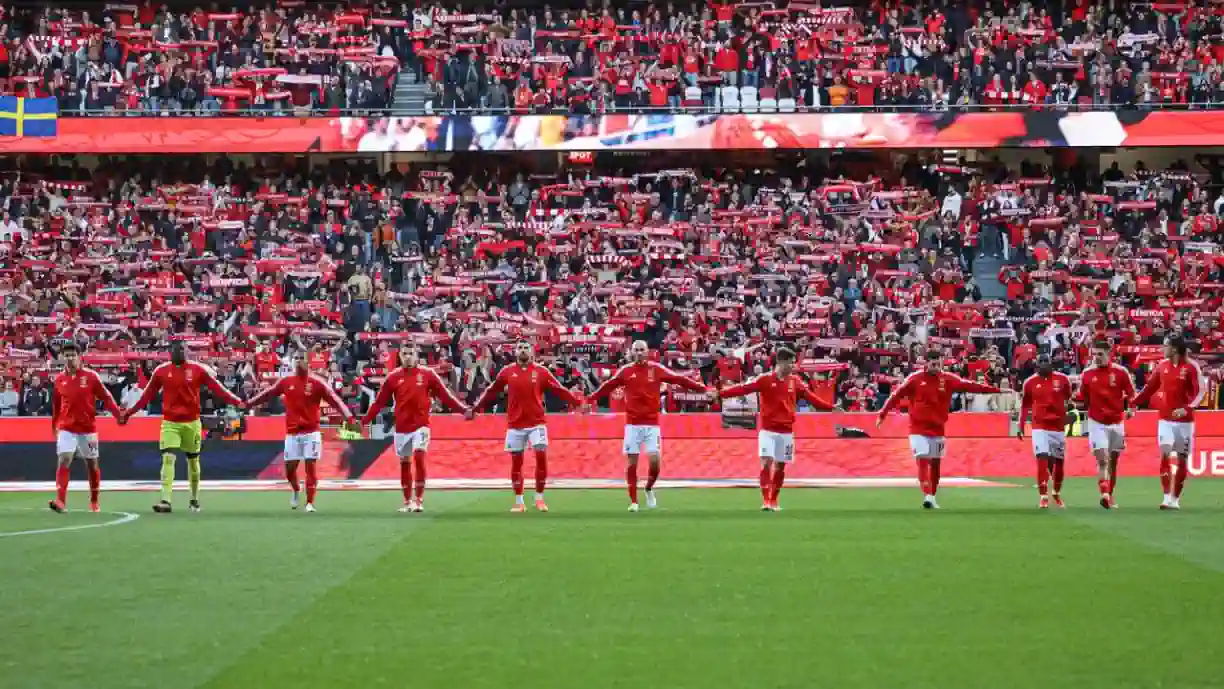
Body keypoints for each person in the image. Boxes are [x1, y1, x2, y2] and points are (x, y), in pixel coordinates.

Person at [122, 341, 245, 514]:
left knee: (193, 462)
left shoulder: (197, 370)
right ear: (169, 352)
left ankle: (194, 499)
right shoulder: (161, 371)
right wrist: (129, 413)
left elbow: (218, 389)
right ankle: (166, 500)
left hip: (192, 423)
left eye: (182, 349)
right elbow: (146, 396)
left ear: (186, 351)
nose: (179, 352)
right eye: (175, 349)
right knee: (168, 458)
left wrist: (237, 401)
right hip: (170, 423)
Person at [587, 339, 709, 511]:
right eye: (635, 350)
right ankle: (634, 501)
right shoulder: (626, 371)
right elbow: (608, 386)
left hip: (652, 424)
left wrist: (701, 388)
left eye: (641, 349)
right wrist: (590, 399)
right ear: (631, 352)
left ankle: (649, 488)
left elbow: (678, 379)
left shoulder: (656, 369)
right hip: (632, 424)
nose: (638, 353)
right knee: (632, 463)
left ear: (647, 351)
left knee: (655, 463)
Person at [468, 341, 585, 513]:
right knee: (516, 463)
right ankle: (519, 501)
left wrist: (576, 403)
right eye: (520, 348)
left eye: (526, 348)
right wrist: (476, 409)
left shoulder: (541, 372)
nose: (522, 350)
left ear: (532, 352)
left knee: (541, 458)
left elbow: (559, 390)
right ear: (515, 352)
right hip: (515, 424)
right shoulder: (507, 372)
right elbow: (491, 391)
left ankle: (539, 499)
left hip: (537, 423)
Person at [876, 349, 1000, 509]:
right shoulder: (915, 379)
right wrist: (883, 414)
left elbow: (971, 386)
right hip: (918, 428)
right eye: (932, 362)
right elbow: (896, 395)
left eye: (937, 361)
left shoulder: (948, 379)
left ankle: (932, 496)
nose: (935, 365)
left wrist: (996, 390)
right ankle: (927, 494)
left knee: (935, 464)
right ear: (926, 362)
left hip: (938, 428)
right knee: (922, 459)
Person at [715, 347, 834, 511]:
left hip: (786, 431)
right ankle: (765, 501)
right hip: (767, 430)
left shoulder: (796, 382)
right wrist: (720, 394)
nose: (793, 366)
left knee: (780, 466)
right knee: (766, 461)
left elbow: (812, 399)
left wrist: (831, 408)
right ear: (781, 362)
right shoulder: (764, 380)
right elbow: (742, 389)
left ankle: (774, 500)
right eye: (791, 363)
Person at [245, 350, 359, 513]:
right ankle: (296, 489)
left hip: (311, 432)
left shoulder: (317, 382)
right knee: (290, 469)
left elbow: (335, 399)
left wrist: (349, 417)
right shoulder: (286, 381)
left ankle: (310, 502)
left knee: (310, 467)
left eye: (301, 358)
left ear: (308, 362)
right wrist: (248, 404)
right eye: (296, 358)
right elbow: (267, 394)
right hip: (292, 433)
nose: (298, 361)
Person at [361, 345, 470, 513]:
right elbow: (379, 402)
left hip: (421, 425)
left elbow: (445, 395)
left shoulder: (427, 374)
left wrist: (463, 410)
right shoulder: (393, 378)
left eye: (411, 353)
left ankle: (419, 500)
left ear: (416, 355)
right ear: (400, 356)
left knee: (419, 455)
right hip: (402, 427)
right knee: (405, 463)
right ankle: (407, 501)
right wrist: (365, 421)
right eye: (405, 353)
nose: (408, 356)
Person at [48, 343, 125, 514]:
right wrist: (54, 425)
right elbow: (56, 405)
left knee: (91, 464)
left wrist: (117, 414)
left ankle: (94, 501)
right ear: (62, 358)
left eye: (73, 355)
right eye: (66, 355)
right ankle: (60, 501)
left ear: (79, 356)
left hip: (88, 428)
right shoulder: (60, 379)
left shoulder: (91, 377)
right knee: (64, 459)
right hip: (67, 427)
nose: (70, 358)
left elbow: (106, 397)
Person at [1132, 337, 1206, 510]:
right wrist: (1133, 403)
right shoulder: (1162, 366)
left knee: (1182, 459)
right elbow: (1149, 388)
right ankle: (1166, 496)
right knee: (1165, 451)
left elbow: (1200, 391)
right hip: (1165, 419)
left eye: (1165, 346)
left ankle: (1175, 498)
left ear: (1173, 349)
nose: (1162, 349)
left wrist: (1186, 409)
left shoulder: (1190, 366)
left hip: (1185, 422)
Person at [1076, 340, 1136, 509]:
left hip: (1117, 422)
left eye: (1100, 354)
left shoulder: (1120, 372)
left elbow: (1132, 394)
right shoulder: (1087, 374)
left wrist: (1131, 408)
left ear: (1109, 354)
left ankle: (1110, 494)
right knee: (1103, 459)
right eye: (1094, 354)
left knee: (1113, 462)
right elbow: (1082, 396)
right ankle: (1104, 494)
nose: (1096, 358)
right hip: (1097, 422)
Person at [1016, 355, 1074, 508]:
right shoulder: (1030, 383)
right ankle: (1043, 496)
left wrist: (1069, 413)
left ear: (1050, 363)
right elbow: (1025, 406)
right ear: (1036, 364)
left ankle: (1056, 492)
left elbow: (1069, 399)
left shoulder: (1063, 380)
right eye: (1040, 362)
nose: (1042, 365)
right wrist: (1020, 425)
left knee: (1058, 463)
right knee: (1042, 457)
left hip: (1057, 426)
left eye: (1045, 362)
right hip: (1039, 425)